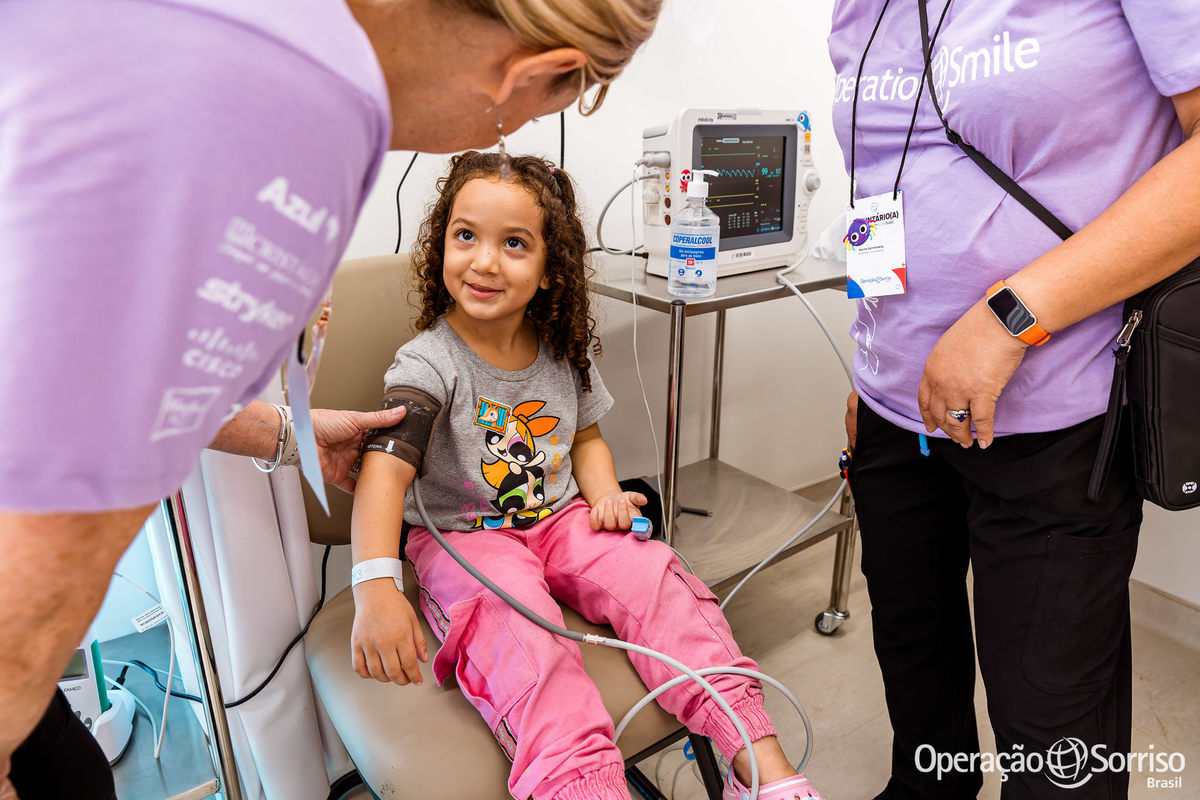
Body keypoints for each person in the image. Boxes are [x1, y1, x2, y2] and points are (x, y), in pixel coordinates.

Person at [0, 0, 664, 797]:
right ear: (535, 73)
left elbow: (111, 370)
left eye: (516, 242)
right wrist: (374, 578)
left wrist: (284, 433)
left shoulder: (229, 39)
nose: (496, 140)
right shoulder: (291, 120)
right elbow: (77, 459)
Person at [348, 152, 824, 800]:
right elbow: (384, 470)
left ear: (550, 270)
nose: (484, 260)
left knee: (656, 578)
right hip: (466, 539)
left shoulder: (560, 351)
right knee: (525, 638)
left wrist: (604, 497)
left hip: (561, 519)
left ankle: (760, 766)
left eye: (513, 243)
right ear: (441, 248)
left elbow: (586, 438)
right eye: (466, 236)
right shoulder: (428, 362)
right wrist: (375, 585)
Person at [827, 1, 1200, 798]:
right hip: (898, 414)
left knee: (1050, 713)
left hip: (1056, 417)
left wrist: (1012, 317)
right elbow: (879, 179)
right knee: (914, 656)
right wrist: (873, 354)